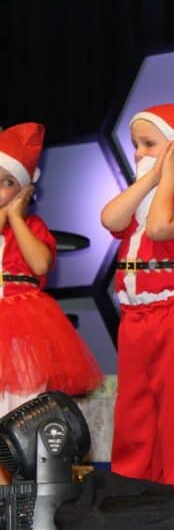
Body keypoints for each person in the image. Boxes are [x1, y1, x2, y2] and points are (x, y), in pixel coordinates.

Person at [100, 103, 174, 493]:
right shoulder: (139, 203)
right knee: (134, 405)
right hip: (136, 318)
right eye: (135, 145)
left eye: (149, 144)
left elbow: (161, 228)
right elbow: (110, 218)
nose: (138, 153)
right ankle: (133, 483)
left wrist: (166, 179)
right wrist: (151, 178)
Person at [0, 122, 102, 484]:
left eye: (7, 182)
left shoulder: (34, 227)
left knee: (22, 412)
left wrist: (15, 217)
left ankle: (22, 492)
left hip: (24, 331)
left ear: (25, 190)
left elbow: (41, 264)